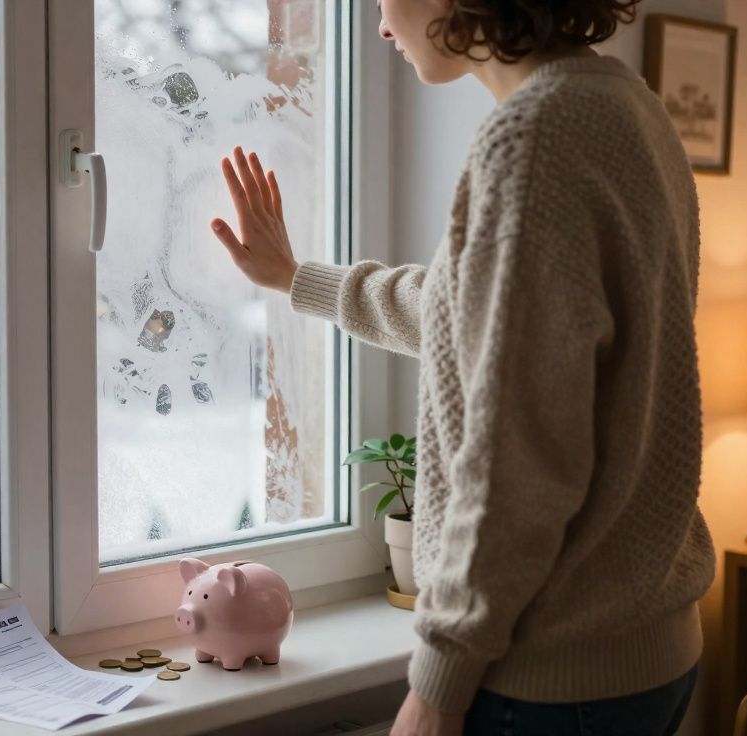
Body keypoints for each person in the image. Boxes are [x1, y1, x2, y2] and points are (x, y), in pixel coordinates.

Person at [209, 1, 716, 734]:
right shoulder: (622, 104)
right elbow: (469, 315)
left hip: (553, 680)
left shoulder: (534, 138)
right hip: (643, 656)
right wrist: (297, 278)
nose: (381, 28)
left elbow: (517, 462)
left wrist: (438, 683)